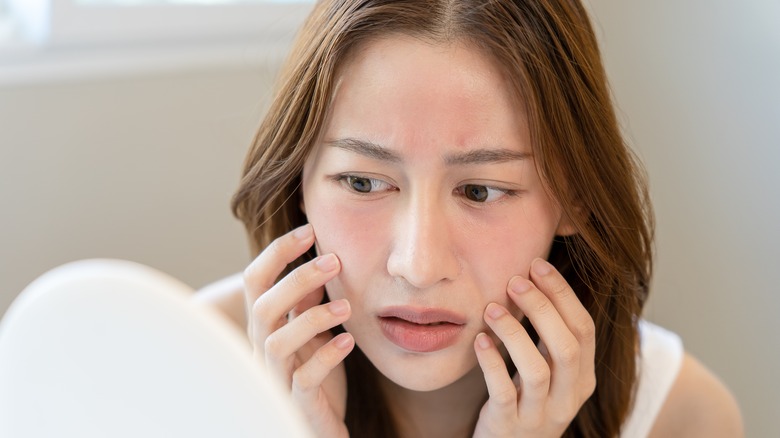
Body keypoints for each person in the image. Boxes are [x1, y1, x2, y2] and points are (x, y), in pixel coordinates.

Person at [197, 0, 743, 436]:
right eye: (364, 183)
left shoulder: (681, 418)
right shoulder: (180, 361)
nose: (418, 265)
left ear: (575, 199)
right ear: (298, 184)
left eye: (480, 191)